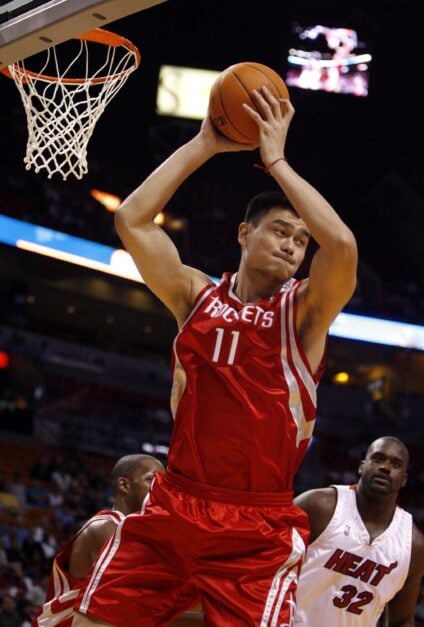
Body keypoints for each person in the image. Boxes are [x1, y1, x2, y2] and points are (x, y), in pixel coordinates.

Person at [72, 86, 358, 626]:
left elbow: (341, 248)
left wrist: (276, 162)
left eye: (301, 240)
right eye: (280, 230)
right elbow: (132, 219)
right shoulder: (194, 295)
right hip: (175, 503)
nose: (292, 245)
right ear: (244, 233)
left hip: (256, 524)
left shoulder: (304, 313)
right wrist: (205, 141)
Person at [294, 436, 424, 626]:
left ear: (404, 479)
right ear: (361, 466)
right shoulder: (317, 506)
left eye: (395, 464)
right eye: (378, 458)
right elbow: (267, 566)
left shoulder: (414, 545)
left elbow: (402, 620)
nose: (385, 467)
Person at [33, 454, 164, 626]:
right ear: (124, 485)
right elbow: (148, 593)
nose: (161, 489)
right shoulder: (106, 527)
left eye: (164, 484)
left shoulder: (131, 530)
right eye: (152, 480)